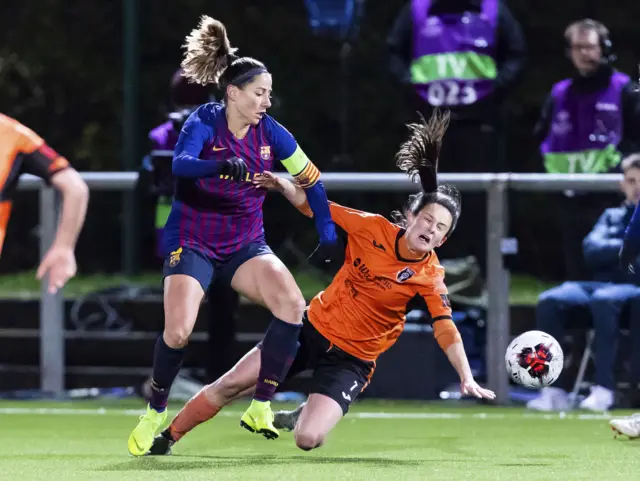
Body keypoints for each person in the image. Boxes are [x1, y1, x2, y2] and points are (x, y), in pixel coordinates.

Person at [144, 109, 495, 455]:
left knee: (307, 439)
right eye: (427, 220)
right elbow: (316, 207)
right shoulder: (371, 227)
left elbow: (445, 328)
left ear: (442, 240)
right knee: (232, 383)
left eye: (440, 229)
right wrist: (283, 184)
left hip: (353, 360)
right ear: (410, 217)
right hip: (309, 330)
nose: (430, 230)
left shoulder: (430, 277)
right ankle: (168, 436)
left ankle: (303, 416)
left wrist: (465, 376)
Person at [127, 16, 339, 456]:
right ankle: (155, 410)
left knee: (292, 305)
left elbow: (312, 180)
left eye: (269, 93)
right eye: (259, 92)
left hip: (245, 243)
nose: (266, 100)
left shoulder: (272, 132)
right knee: (179, 331)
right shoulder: (203, 122)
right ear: (233, 93)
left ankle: (260, 405)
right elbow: (181, 165)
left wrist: (326, 227)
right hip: (193, 239)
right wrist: (218, 165)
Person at [146, 69, 240, 385]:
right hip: (188, 234)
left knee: (221, 309)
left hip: (219, 233)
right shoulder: (164, 135)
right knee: (182, 310)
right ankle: (168, 378)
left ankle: (218, 378)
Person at [527, 154, 640, 412]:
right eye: (631, 181)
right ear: (623, 184)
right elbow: (590, 249)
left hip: (631, 288)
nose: (636, 187)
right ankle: (552, 389)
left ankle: (604, 389)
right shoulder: (611, 215)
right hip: (602, 284)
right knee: (551, 301)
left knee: (605, 300)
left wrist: (612, 253)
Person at [536, 19, 640, 279]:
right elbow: (542, 137)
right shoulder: (560, 93)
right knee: (575, 270)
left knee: (614, 269)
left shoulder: (624, 89)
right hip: (569, 197)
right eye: (578, 47)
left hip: (612, 196)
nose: (584, 53)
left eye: (590, 47)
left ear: (604, 48)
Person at [0, 113, 88, 293]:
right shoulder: (13, 134)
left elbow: (75, 188)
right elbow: (75, 187)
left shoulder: (14, 135)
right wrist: (64, 247)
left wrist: (63, 247)